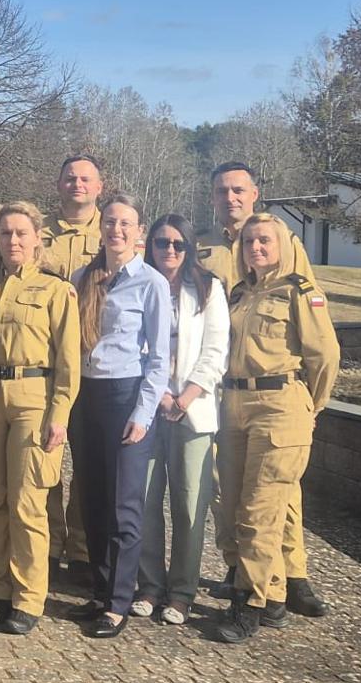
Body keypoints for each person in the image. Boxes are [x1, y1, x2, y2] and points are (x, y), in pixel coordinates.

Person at [197, 161, 327, 617]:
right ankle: (239, 568)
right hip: (224, 385)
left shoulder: (282, 240)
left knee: (277, 490)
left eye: (238, 190)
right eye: (220, 191)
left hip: (276, 391)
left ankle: (292, 575)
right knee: (227, 488)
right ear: (212, 198)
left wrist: (308, 399)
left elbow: (314, 330)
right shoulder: (203, 248)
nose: (229, 198)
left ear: (255, 194)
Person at [0, 201, 80, 635]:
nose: (13, 241)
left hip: (34, 396)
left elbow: (68, 360)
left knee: (28, 502)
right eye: (6, 233)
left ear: (37, 239)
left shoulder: (54, 290)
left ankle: (29, 598)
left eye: (21, 233)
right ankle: (2, 590)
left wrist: (59, 413)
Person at [215, 214, 340, 643]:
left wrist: (310, 406)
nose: (256, 248)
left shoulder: (299, 292)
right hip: (233, 405)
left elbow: (324, 357)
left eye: (264, 240)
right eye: (249, 241)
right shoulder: (239, 293)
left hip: (279, 406)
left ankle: (246, 603)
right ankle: (273, 596)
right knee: (231, 506)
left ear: (283, 244)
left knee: (259, 512)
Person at [64, 194, 172, 639]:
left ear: (138, 231)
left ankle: (120, 601)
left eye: (126, 223)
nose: (117, 230)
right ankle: (101, 589)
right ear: (100, 227)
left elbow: (160, 358)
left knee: (124, 504)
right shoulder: (82, 278)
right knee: (91, 498)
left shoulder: (150, 283)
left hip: (126, 395)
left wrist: (144, 413)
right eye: (110, 222)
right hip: (85, 396)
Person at [134, 214, 228, 627]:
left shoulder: (208, 289)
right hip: (150, 409)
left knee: (190, 504)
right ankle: (150, 585)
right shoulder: (139, 284)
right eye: (160, 243)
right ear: (149, 246)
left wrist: (185, 397)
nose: (168, 250)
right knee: (146, 500)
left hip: (193, 412)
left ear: (189, 248)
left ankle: (183, 591)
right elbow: (131, 346)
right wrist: (159, 397)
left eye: (177, 244)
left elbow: (215, 352)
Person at [41, 155, 103, 573]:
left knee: (87, 464)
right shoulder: (38, 233)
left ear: (99, 186)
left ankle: (81, 550)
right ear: (59, 184)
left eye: (85, 179)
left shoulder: (117, 231)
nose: (76, 184)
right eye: (69, 178)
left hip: (95, 368)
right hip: (44, 366)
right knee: (44, 459)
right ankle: (47, 546)